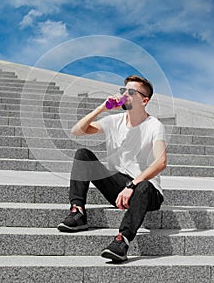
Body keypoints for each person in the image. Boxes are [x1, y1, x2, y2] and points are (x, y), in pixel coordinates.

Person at [58, 75, 167, 262]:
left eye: (131, 92)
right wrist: (102, 108)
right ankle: (78, 212)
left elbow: (161, 162)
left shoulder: (154, 126)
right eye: (123, 90)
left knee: (145, 186)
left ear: (144, 100)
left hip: (146, 191)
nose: (124, 94)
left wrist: (133, 184)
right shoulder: (114, 121)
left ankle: (122, 240)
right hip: (119, 187)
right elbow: (76, 131)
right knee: (83, 154)